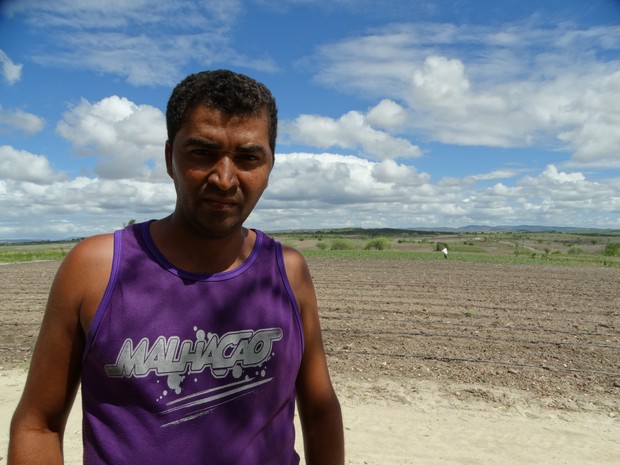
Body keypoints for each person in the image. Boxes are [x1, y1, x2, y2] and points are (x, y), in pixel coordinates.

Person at [9, 69, 344, 465]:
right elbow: (38, 424)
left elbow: (320, 412)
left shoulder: (287, 272)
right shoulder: (95, 269)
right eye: (202, 152)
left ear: (270, 166)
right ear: (170, 157)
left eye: (248, 157)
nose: (224, 178)